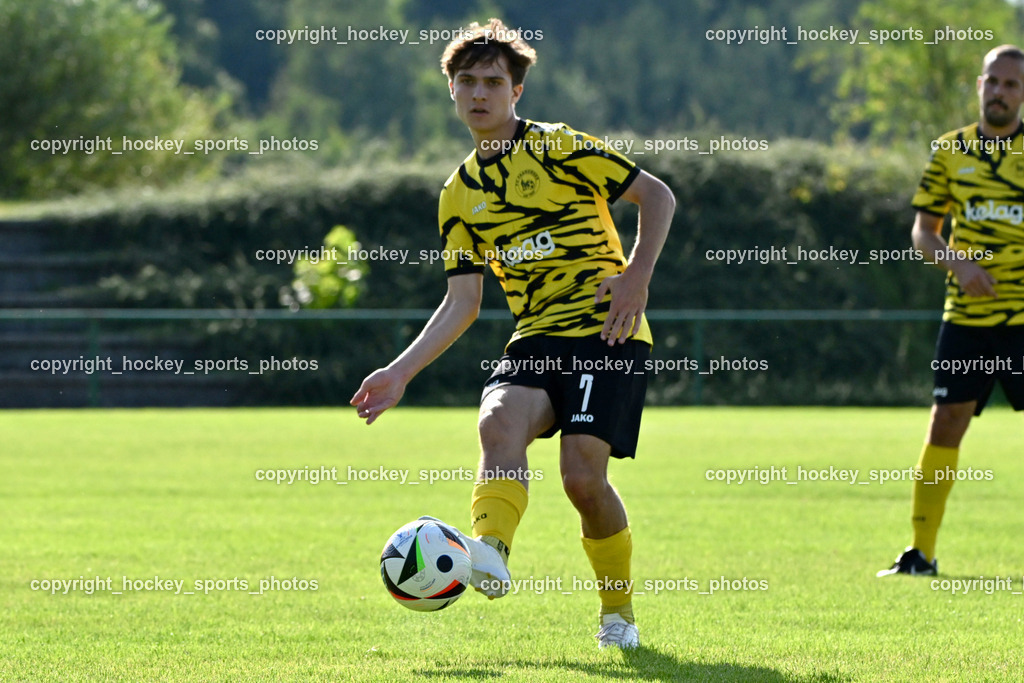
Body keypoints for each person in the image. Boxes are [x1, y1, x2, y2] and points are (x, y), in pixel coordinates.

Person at [350, 18, 675, 647]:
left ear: (516, 91)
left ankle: (617, 618)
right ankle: (490, 548)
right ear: (451, 90)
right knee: (497, 417)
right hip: (537, 336)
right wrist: (399, 372)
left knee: (583, 480)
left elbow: (656, 196)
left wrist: (636, 278)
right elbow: (461, 303)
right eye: (466, 81)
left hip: (606, 332)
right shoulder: (457, 196)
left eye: (492, 82)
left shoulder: (559, 146)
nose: (479, 93)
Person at [878, 45, 1024, 577]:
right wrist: (959, 266)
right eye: (993, 81)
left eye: (1012, 84)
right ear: (979, 85)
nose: (1000, 92)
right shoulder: (948, 151)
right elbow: (923, 232)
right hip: (966, 320)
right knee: (944, 426)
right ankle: (921, 553)